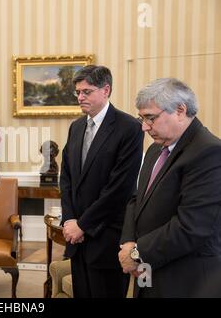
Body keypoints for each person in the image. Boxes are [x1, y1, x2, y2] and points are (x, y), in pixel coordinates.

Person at [119, 78, 221, 297]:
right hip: (147, 270)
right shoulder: (156, 149)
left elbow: (191, 226)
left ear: (180, 110)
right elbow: (136, 199)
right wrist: (128, 243)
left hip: (184, 279)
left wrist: (137, 253)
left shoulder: (210, 152)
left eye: (150, 118)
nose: (144, 127)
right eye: (142, 118)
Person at [60, 65, 144, 298]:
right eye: (77, 92)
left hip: (106, 237)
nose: (80, 97)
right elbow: (66, 177)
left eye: (86, 91)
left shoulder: (129, 128)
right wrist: (69, 220)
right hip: (77, 239)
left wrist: (83, 225)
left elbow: (119, 189)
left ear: (106, 90)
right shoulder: (76, 127)